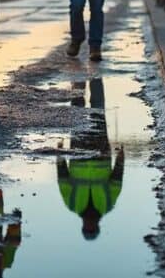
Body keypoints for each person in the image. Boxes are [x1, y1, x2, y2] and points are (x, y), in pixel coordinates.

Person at [57, 78, 125, 240]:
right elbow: (116, 181)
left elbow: (63, 180)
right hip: (100, 151)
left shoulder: (72, 205)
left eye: (87, 229)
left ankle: (78, 80)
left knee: (77, 110)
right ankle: (96, 77)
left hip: (78, 151)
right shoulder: (107, 205)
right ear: (97, 227)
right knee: (98, 109)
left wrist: (59, 157)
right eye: (92, 229)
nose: (90, 226)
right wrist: (120, 160)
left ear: (83, 227)